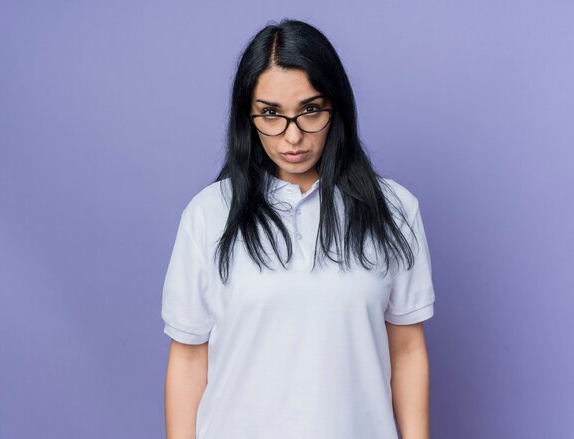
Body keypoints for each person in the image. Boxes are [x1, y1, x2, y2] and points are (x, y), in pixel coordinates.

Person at [161, 18, 436, 439]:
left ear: (336, 108)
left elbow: (407, 349)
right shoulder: (208, 214)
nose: (293, 137)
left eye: (310, 110)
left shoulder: (394, 209)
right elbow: (188, 358)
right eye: (271, 114)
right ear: (247, 117)